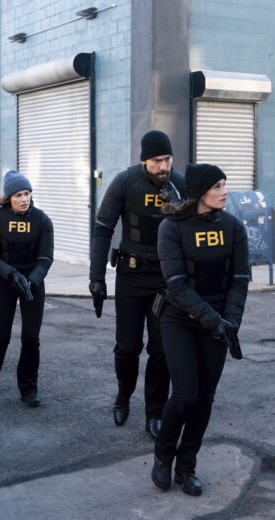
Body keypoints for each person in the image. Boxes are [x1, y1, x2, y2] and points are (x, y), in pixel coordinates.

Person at [150, 163, 249, 497]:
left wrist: (231, 321)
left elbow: (239, 280)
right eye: (217, 186)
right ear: (200, 192)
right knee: (185, 394)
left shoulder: (233, 227)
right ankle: (163, 456)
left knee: (205, 398)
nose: (224, 191)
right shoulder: (171, 228)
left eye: (225, 184)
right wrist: (215, 320)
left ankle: (186, 466)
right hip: (179, 319)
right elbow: (176, 286)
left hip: (218, 324)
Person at [88, 130, 184, 438]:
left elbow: (194, 227)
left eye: (168, 159)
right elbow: (103, 227)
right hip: (130, 276)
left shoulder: (178, 184)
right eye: (157, 161)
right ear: (145, 160)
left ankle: (154, 412)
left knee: (162, 350)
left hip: (164, 280)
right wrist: (96, 278)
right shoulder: (126, 182)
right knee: (128, 348)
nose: (164, 166)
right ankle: (123, 394)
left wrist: (178, 204)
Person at [0, 171, 53, 407]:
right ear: (9, 197)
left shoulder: (42, 220)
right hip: (4, 283)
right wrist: (11, 274)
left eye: (27, 193)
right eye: (18, 194)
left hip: (32, 284)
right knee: (0, 338)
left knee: (31, 338)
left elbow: (46, 257)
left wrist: (32, 280)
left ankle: (29, 388)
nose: (24, 198)